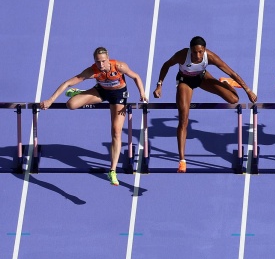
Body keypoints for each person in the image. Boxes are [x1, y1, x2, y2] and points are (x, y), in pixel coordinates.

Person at [40, 47, 148, 186]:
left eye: (103, 61)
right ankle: (80, 93)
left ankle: (112, 170)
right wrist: (50, 100)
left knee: (116, 131)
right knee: (71, 105)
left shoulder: (120, 66)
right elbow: (67, 83)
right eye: (98, 62)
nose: (101, 65)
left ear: (108, 58)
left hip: (119, 96)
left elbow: (136, 77)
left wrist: (142, 93)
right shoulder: (92, 71)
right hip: (101, 92)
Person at [153, 36, 257, 173]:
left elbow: (232, 72)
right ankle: (182, 160)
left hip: (202, 77)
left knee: (233, 99)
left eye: (200, 52)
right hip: (185, 82)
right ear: (190, 50)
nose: (198, 55)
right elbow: (166, 65)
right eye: (195, 52)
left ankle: (225, 83)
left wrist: (248, 90)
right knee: (183, 119)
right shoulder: (182, 55)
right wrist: (159, 85)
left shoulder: (210, 56)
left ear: (204, 50)